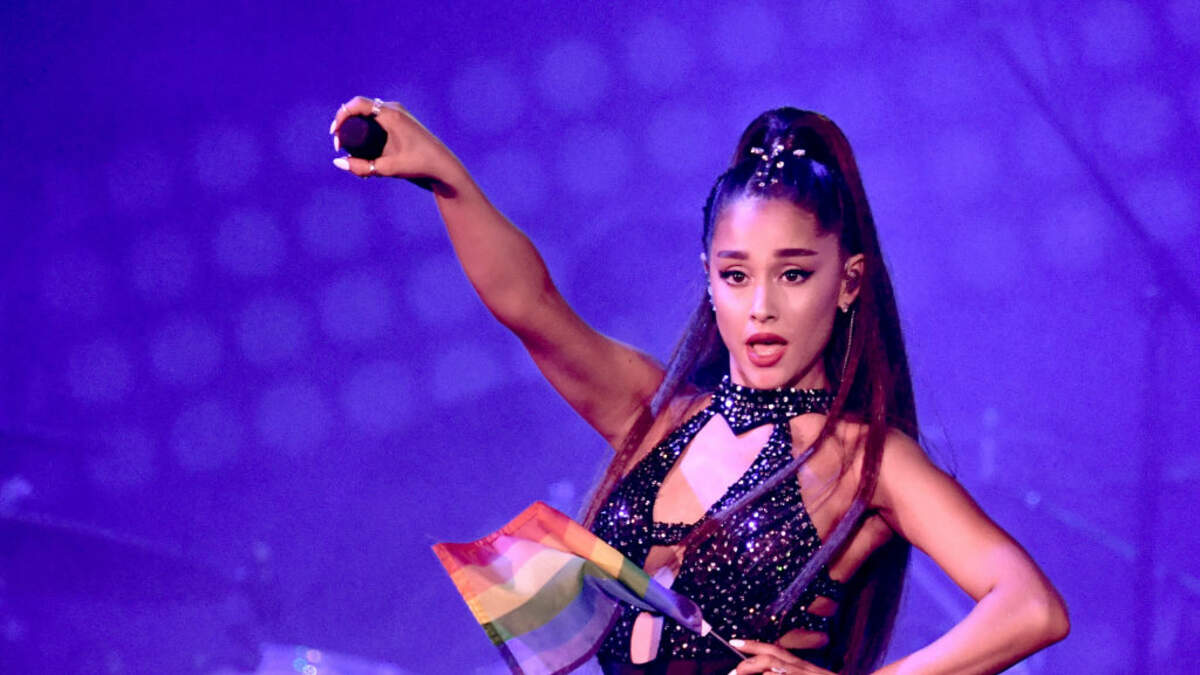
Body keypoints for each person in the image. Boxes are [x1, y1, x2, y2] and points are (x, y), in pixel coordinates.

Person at [330, 97, 1069, 675]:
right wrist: (445, 177)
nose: (761, 307)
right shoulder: (656, 415)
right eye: (736, 275)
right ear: (709, 280)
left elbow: (1031, 606)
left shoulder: (865, 460)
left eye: (794, 274)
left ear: (848, 282)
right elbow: (530, 304)